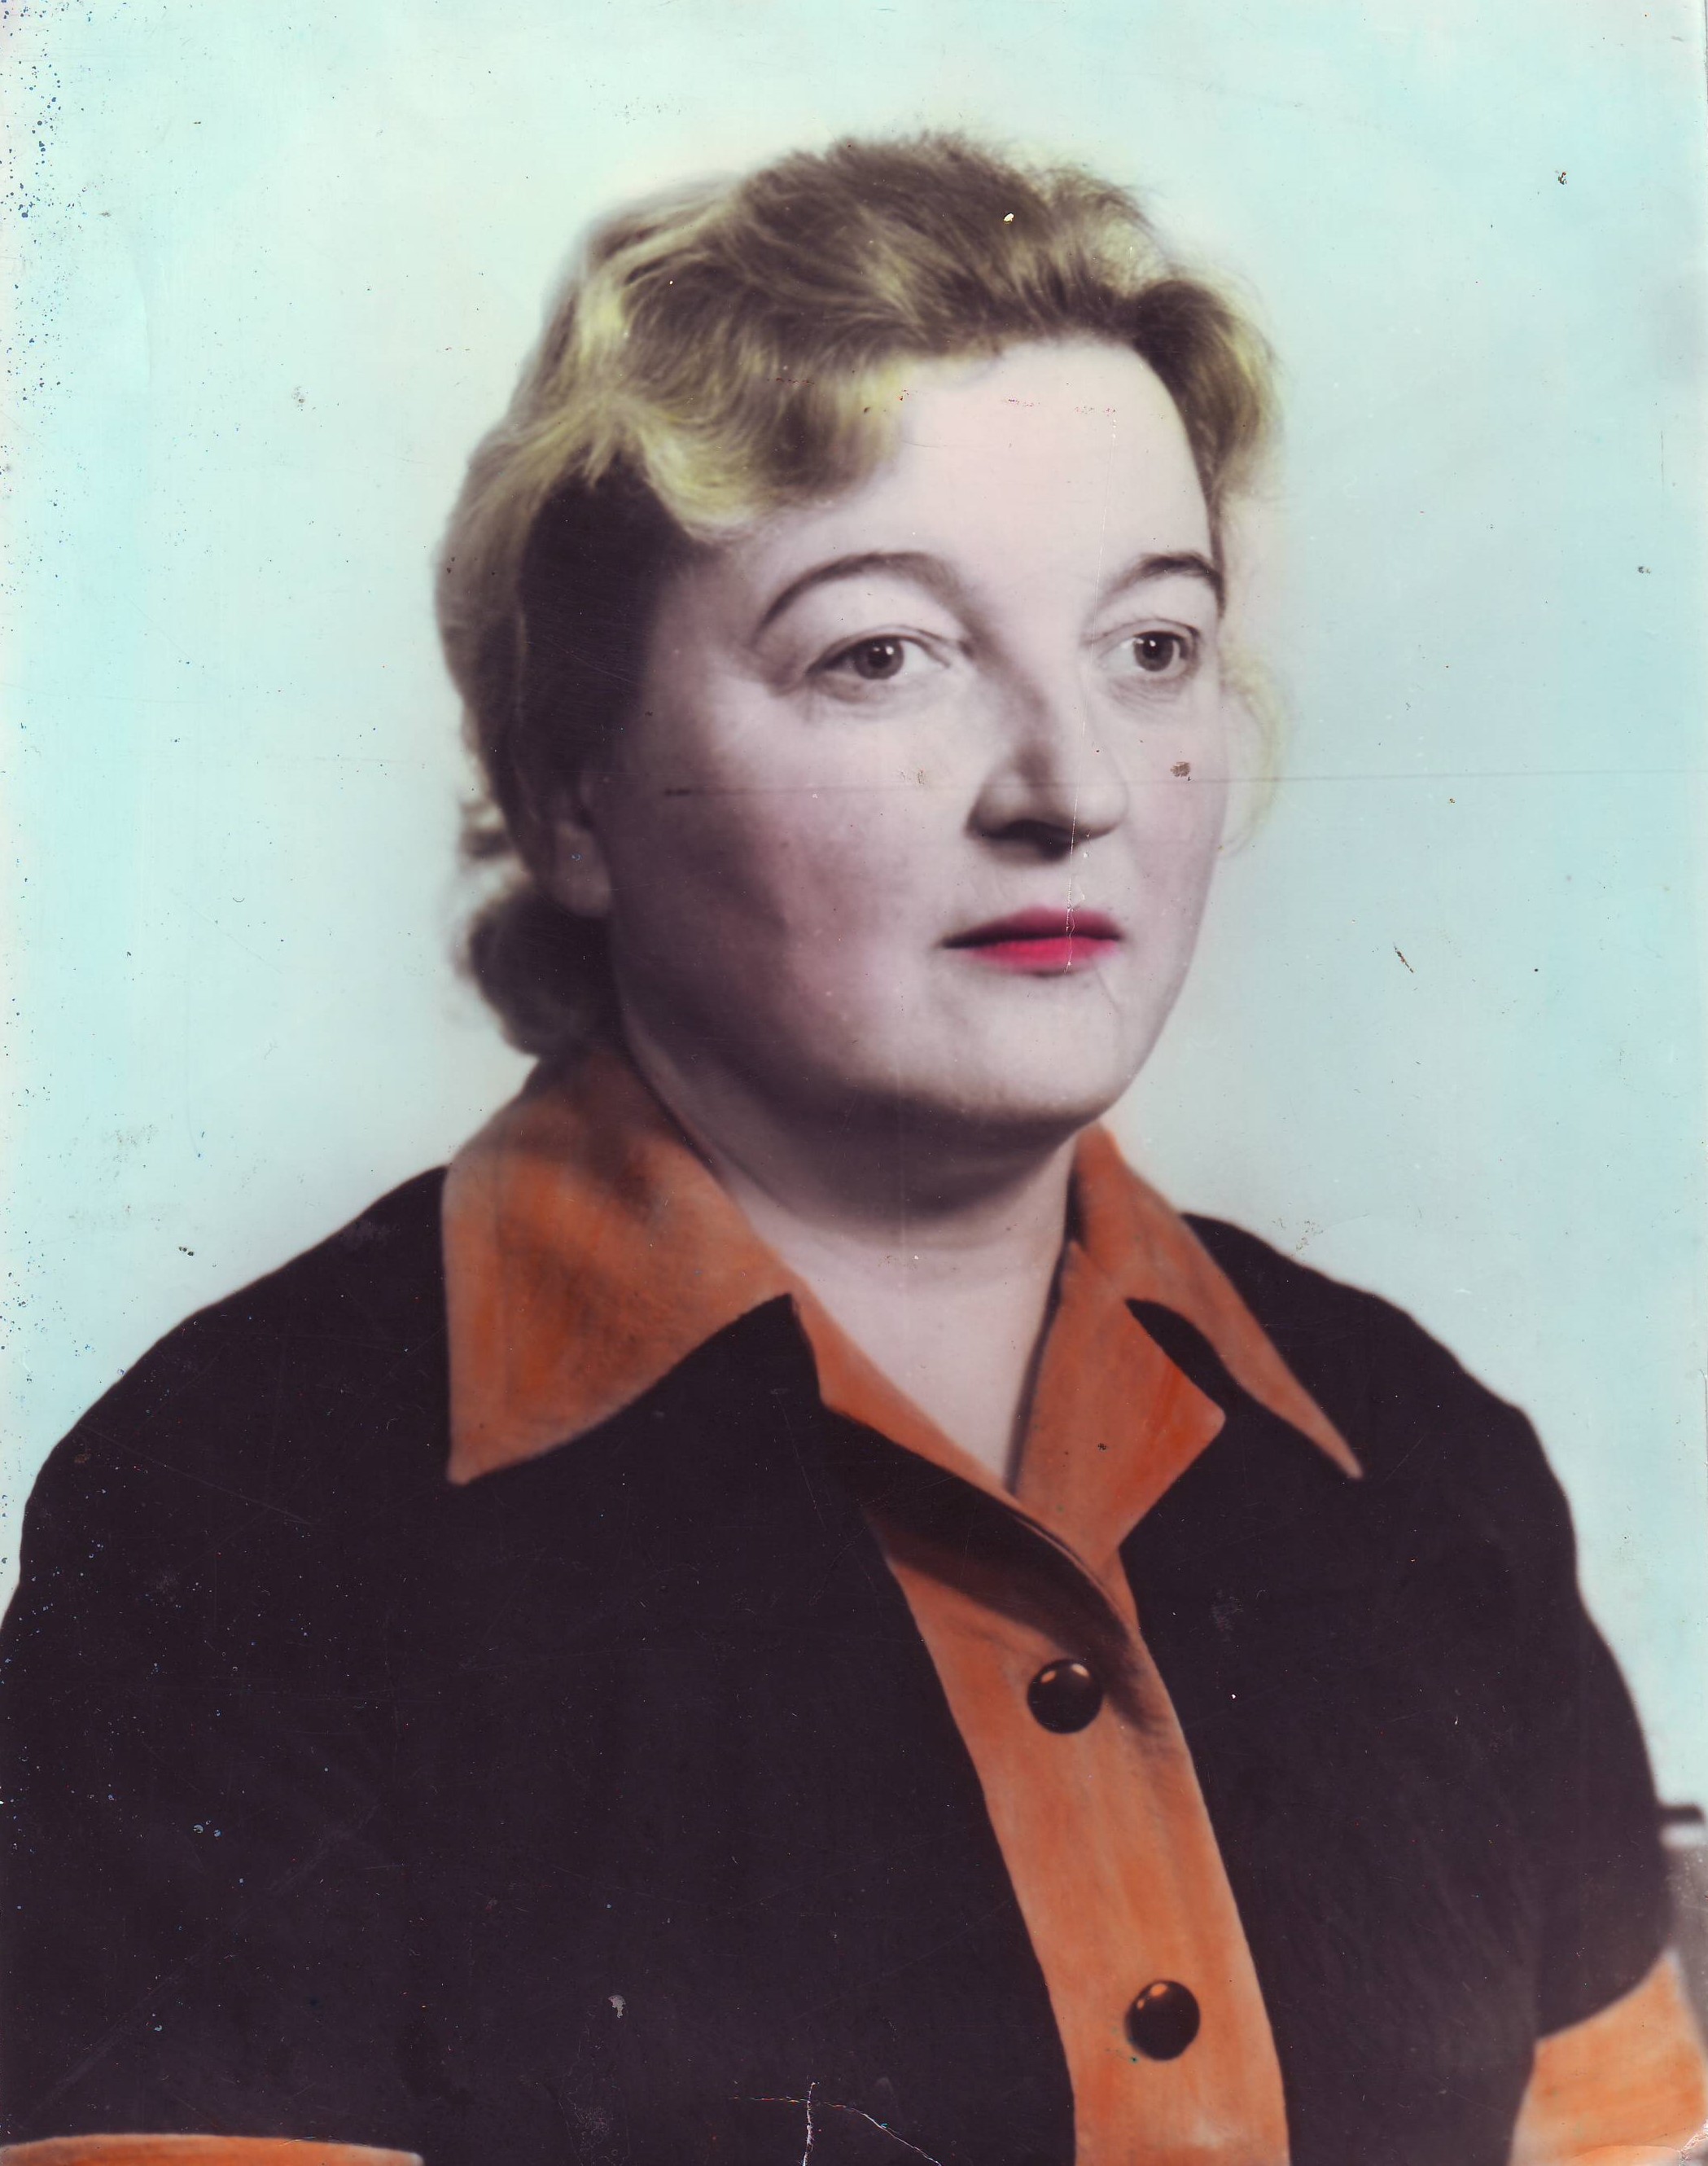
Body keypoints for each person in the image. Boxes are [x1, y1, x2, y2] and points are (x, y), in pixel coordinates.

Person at [0, 134, 1702, 2166]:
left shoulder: (1426, 1465)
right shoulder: (234, 1519)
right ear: (572, 793)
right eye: (880, 653)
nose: (1070, 783)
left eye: (1149, 646)